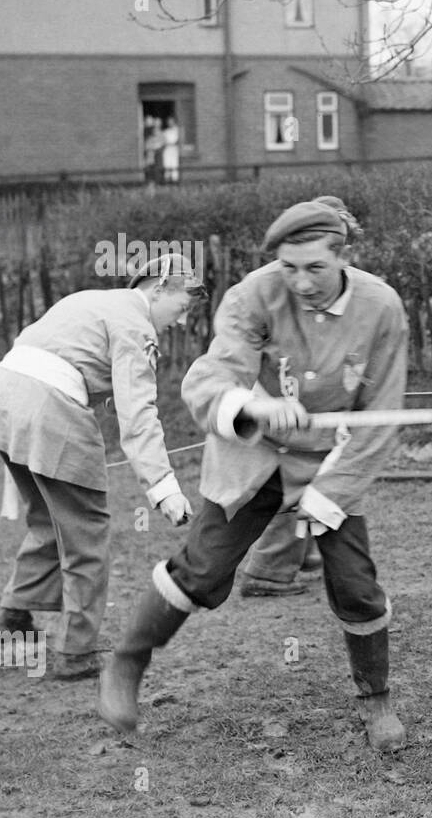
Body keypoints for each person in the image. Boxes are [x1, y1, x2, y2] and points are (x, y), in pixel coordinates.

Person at [98, 200, 411, 751]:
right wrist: (255, 406)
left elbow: (379, 421)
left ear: (342, 255)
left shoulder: (382, 307)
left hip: (333, 462)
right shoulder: (253, 295)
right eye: (289, 267)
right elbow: (210, 378)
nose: (300, 281)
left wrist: (329, 495)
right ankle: (126, 664)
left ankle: (376, 698)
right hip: (254, 455)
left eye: (314, 267)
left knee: (356, 584)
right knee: (200, 569)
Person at [0, 257, 200, 680]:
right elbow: (138, 413)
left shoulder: (92, 301)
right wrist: (163, 487)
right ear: (159, 288)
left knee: (49, 517)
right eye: (183, 307)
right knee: (86, 532)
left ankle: (14, 617)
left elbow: (67, 357)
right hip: (48, 412)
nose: (182, 321)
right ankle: (76, 651)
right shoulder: (136, 325)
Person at [238, 195, 362, 597]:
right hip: (274, 400)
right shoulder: (270, 291)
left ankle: (304, 553)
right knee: (300, 480)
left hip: (309, 404)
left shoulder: (351, 291)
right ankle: (265, 572)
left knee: (317, 475)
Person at [160, 118, 181, 184]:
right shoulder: (166, 132)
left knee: (174, 164)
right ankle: (167, 179)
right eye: (169, 122)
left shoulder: (177, 130)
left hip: (174, 150)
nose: (170, 123)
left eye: (171, 122)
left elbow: (179, 140)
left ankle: (175, 180)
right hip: (167, 150)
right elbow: (163, 141)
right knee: (167, 164)